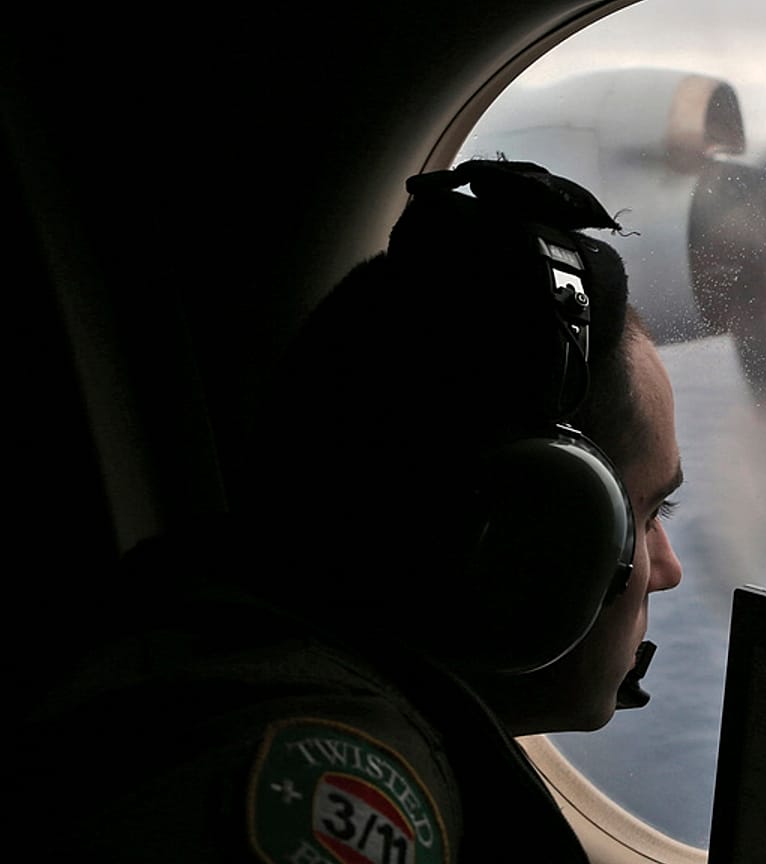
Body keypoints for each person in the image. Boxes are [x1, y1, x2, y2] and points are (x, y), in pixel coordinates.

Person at [19, 160, 684, 862]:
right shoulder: (340, 787)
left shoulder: (207, 641)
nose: (665, 568)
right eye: (644, 516)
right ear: (525, 541)